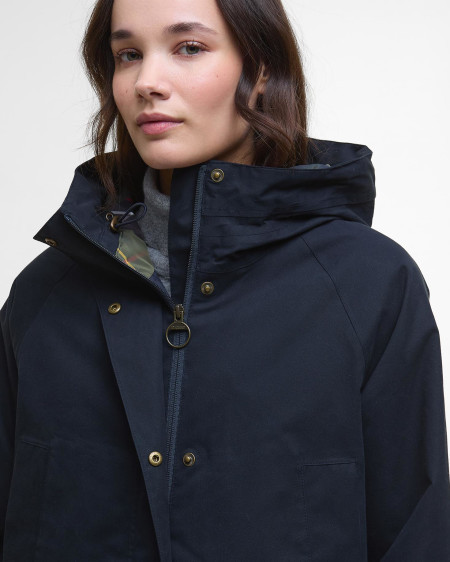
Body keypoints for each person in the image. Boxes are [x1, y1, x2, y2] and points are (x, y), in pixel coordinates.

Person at [1, 0, 449, 560]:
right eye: (128, 54)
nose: (147, 82)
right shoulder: (45, 293)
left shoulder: (368, 283)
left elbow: (416, 531)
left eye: (189, 48)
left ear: (260, 70)